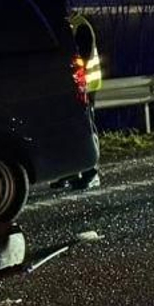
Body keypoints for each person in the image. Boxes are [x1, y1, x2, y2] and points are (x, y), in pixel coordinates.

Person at [67, 10, 102, 188]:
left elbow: (82, 58)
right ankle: (70, 173)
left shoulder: (79, 25)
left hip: (86, 85)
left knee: (87, 128)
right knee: (71, 130)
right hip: (74, 87)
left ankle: (92, 172)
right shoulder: (69, 25)